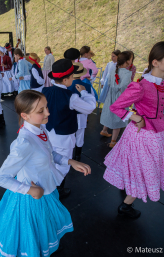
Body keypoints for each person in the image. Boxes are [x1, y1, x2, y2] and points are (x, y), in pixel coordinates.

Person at [0, 90, 91, 257]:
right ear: (25, 116)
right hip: (32, 197)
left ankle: (46, 245)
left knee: (45, 224)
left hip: (45, 189)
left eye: (46, 107)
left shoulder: (40, 129)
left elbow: (50, 153)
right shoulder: (24, 143)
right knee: (33, 229)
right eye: (41, 111)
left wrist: (70, 161)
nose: (48, 112)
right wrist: (31, 190)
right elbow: (1, 178)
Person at [103, 41, 164, 218]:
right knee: (145, 171)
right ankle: (126, 205)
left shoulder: (161, 83)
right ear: (155, 62)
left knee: (148, 170)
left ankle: (128, 199)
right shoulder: (141, 86)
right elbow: (116, 107)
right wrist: (135, 117)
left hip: (158, 135)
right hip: (142, 136)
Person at [42, 59, 96, 199]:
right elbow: (90, 107)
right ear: (66, 80)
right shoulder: (70, 97)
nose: (73, 79)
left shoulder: (45, 91)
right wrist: (84, 93)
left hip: (47, 133)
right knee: (62, 166)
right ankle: (56, 191)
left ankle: (52, 187)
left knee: (49, 160)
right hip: (63, 137)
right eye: (72, 77)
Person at [100, 51, 132, 148]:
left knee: (109, 114)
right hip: (120, 98)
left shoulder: (113, 70)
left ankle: (104, 130)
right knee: (117, 119)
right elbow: (124, 86)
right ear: (127, 62)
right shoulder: (128, 73)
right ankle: (113, 141)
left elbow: (109, 83)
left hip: (110, 96)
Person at [68, 62, 96, 161]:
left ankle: (69, 154)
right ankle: (78, 154)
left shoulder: (66, 86)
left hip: (69, 115)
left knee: (70, 134)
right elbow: (92, 99)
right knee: (80, 135)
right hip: (81, 115)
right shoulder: (87, 86)